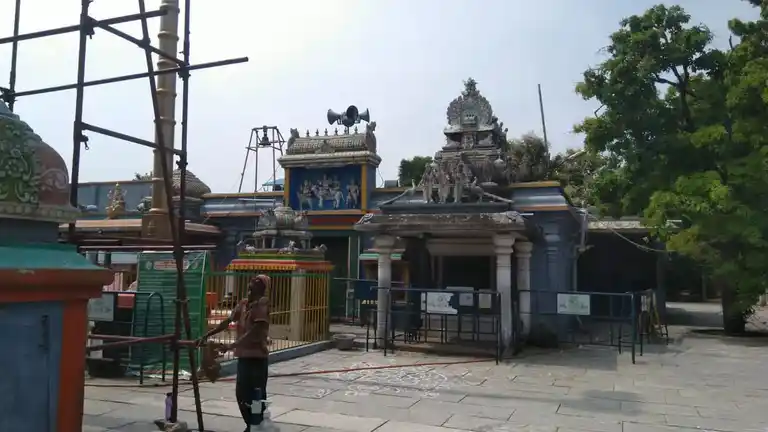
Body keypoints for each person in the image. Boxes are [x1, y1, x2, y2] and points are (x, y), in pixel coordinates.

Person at [198, 275, 271, 431]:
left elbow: (255, 332)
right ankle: (251, 423)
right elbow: (228, 320)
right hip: (244, 358)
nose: (250, 287)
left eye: (255, 285)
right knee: (241, 394)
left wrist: (232, 345)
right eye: (250, 284)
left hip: (258, 358)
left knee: (257, 395)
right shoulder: (244, 304)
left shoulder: (262, 305)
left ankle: (255, 424)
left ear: (261, 289)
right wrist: (208, 334)